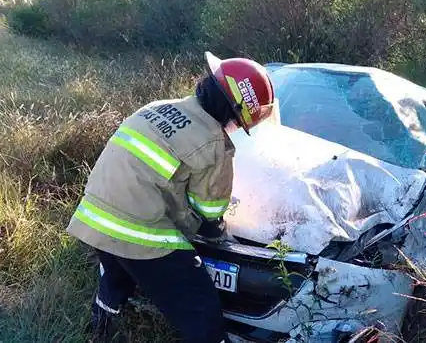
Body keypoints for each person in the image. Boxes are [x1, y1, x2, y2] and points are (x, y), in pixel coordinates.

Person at [66, 52, 276, 343]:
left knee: (117, 273)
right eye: (238, 123)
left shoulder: (156, 107)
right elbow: (210, 211)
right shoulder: (215, 143)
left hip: (95, 214)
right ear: (233, 115)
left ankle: (97, 330)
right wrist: (219, 232)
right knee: (199, 304)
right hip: (137, 228)